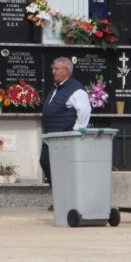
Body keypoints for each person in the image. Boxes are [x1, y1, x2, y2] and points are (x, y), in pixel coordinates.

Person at [40, 57, 91, 209]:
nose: (53, 72)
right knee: (46, 162)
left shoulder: (75, 89)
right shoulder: (57, 87)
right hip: (52, 137)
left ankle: (67, 200)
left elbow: (85, 109)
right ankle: (61, 197)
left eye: (56, 69)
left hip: (64, 137)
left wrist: (78, 129)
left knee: (63, 168)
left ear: (66, 71)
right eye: (52, 68)